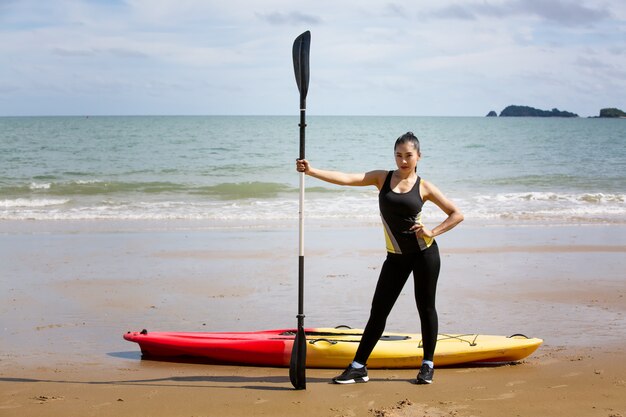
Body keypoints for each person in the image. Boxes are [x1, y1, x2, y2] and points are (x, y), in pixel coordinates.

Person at [296, 131, 464, 385]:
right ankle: (358, 366)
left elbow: (456, 214)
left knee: (425, 307)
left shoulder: (425, 187)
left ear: (419, 156)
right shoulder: (381, 178)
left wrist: (432, 231)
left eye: (408, 155)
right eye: (398, 155)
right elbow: (347, 179)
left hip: (424, 254)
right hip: (395, 257)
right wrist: (312, 171)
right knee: (378, 311)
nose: (403, 161)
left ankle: (427, 365)